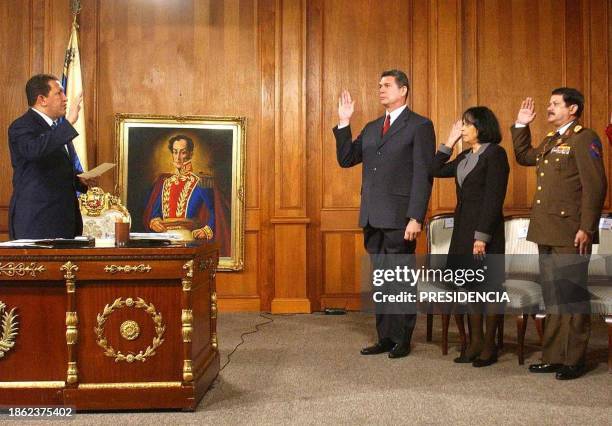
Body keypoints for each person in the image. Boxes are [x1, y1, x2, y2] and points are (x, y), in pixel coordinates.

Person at [334, 69, 435, 358]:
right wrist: (344, 122)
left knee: (400, 279)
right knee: (380, 279)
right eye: (379, 85)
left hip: (400, 218)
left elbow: (422, 175)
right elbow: (346, 159)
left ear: (403, 90)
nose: (381, 90)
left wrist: (416, 217)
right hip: (372, 216)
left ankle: (402, 339)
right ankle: (385, 338)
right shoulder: (372, 126)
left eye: (387, 85)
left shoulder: (419, 126)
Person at [512, 88, 607, 380]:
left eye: (555, 104)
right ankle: (554, 356)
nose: (549, 108)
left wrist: (587, 228)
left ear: (573, 109)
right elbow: (525, 156)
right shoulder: (553, 140)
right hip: (548, 229)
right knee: (553, 298)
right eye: (549, 103)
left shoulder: (585, 138)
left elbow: (596, 186)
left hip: (571, 231)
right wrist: (521, 126)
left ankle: (574, 359)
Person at [431, 107, 509, 367]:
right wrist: (449, 142)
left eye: (466, 124)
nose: (462, 128)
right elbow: (434, 169)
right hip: (462, 230)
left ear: (481, 127)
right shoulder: (465, 155)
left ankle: (489, 346)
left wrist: (482, 237)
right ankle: (474, 343)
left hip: (483, 232)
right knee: (469, 289)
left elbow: (493, 198)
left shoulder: (496, 154)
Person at [8, 74, 93, 239]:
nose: (65, 98)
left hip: (64, 222)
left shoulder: (57, 128)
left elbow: (51, 169)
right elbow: (34, 151)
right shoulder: (21, 126)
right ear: (42, 99)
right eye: (59, 93)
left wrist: (79, 180)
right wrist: (68, 124)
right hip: (37, 222)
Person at [143, 135, 216, 241]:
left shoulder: (200, 182)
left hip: (187, 239)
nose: (177, 157)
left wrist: (206, 230)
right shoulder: (166, 183)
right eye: (175, 152)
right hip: (164, 238)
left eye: (183, 152)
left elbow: (214, 212)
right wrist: (155, 221)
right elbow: (156, 212)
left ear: (190, 154)